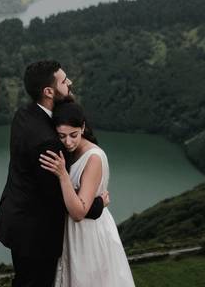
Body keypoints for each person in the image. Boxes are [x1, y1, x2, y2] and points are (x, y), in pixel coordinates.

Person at [0, 60, 108, 287]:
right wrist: (96, 205)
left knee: (24, 281)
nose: (70, 83)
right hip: (36, 234)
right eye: (64, 81)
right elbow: (56, 195)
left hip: (17, 219)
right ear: (48, 91)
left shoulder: (25, 114)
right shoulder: (48, 141)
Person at [39, 102, 135, 287]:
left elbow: (78, 213)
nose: (68, 142)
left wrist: (62, 175)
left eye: (73, 135)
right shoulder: (66, 151)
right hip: (69, 233)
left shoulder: (93, 158)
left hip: (87, 235)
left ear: (82, 127)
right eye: (62, 136)